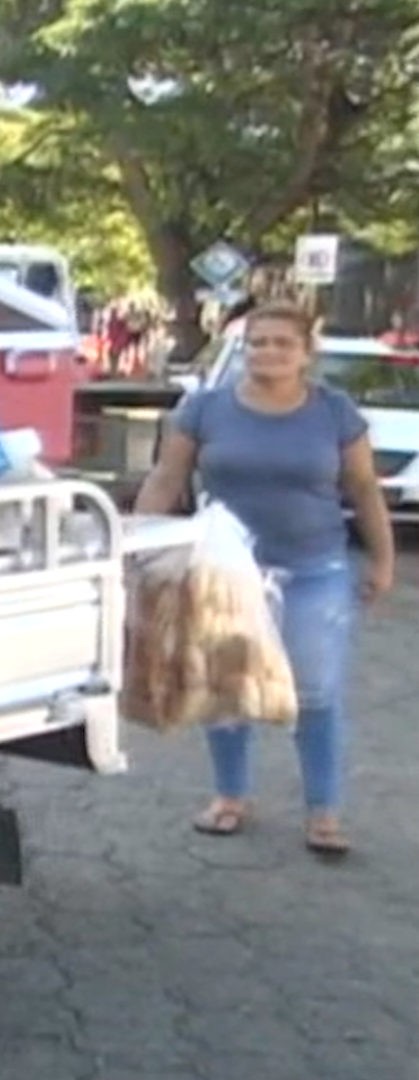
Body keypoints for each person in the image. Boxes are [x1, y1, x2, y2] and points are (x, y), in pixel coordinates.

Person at [134, 301, 395, 858]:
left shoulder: (334, 412)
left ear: (305, 354)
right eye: (257, 342)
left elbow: (364, 489)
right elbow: (166, 478)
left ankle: (323, 811)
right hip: (225, 574)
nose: (267, 352)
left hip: (313, 570)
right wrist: (138, 550)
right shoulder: (205, 409)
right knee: (227, 685)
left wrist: (384, 559)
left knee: (316, 692)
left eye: (281, 343)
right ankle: (231, 797)